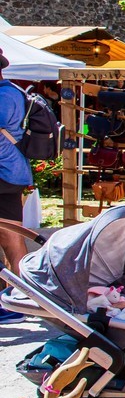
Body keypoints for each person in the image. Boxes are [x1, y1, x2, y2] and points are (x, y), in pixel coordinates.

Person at [0, 52, 34, 277]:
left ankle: (21, 292)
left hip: (5, 173)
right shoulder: (10, 92)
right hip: (10, 173)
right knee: (10, 237)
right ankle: (19, 291)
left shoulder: (5, 95)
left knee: (11, 238)